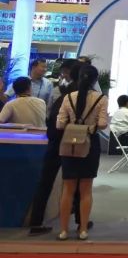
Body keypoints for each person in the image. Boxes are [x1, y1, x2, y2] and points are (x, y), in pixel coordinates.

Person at [29, 60, 83, 235]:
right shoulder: (79, 98)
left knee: (45, 182)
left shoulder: (61, 95)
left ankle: (36, 222)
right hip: (72, 144)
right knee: (76, 183)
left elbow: (52, 122)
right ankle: (80, 221)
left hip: (54, 143)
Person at [56, 65, 109, 241]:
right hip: (90, 144)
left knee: (68, 189)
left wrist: (73, 125)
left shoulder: (68, 97)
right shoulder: (101, 99)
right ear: (95, 80)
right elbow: (103, 124)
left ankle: (63, 230)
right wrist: (89, 126)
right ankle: (83, 229)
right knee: (86, 189)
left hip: (69, 144)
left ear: (78, 78)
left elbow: (59, 124)